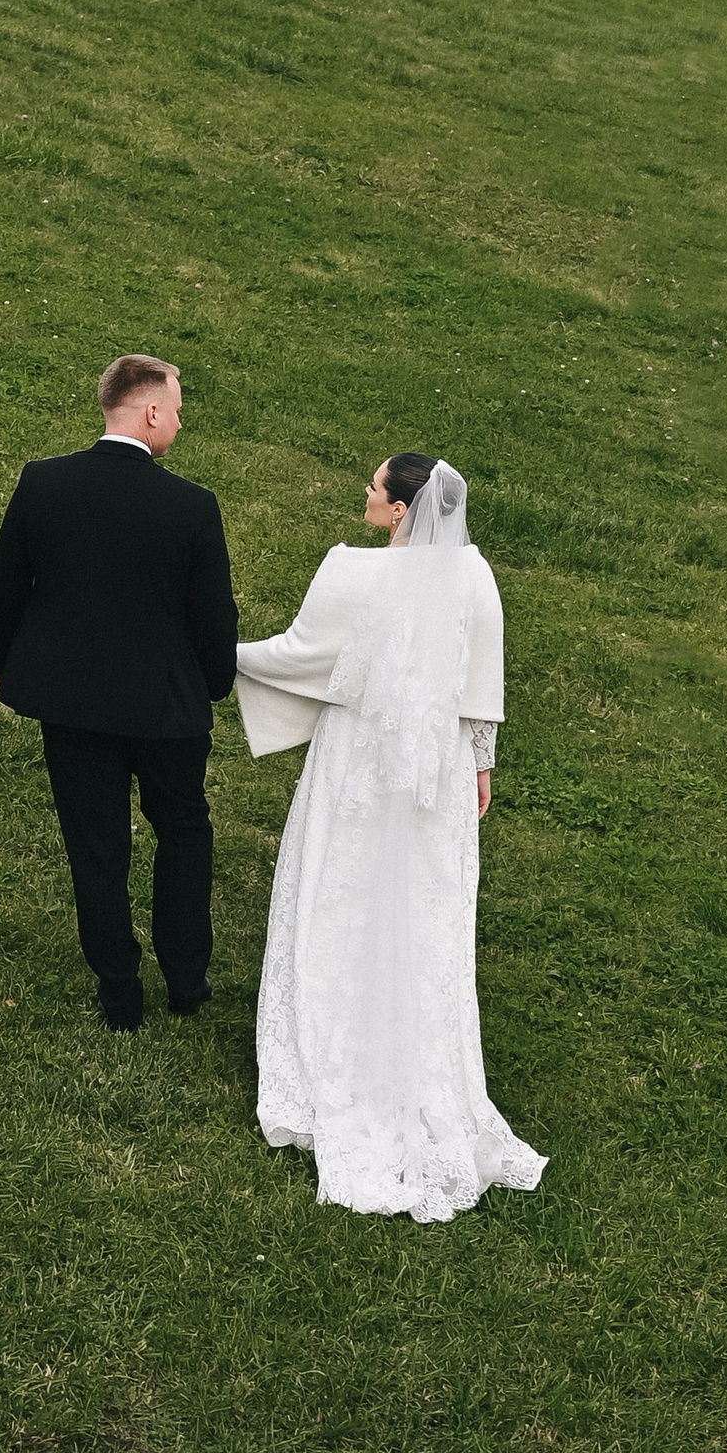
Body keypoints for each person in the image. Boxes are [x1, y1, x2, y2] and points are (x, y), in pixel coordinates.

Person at [234, 452, 543, 1224]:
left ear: (402, 510)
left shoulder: (351, 572)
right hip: (433, 768)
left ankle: (331, 1064)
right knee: (425, 913)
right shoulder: (475, 574)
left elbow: (299, 655)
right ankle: (418, 1070)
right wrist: (481, 765)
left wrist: (225, 657)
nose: (365, 496)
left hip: (357, 764)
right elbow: (483, 676)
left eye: (374, 489)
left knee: (337, 897)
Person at [0, 355, 239, 1031]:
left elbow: (6, 583)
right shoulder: (191, 506)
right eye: (178, 410)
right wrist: (212, 685)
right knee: (183, 830)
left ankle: (119, 991)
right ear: (150, 411)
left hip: (72, 704)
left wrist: (3, 663)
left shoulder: (45, 484)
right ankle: (186, 979)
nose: (180, 423)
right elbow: (214, 615)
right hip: (165, 708)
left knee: (95, 843)